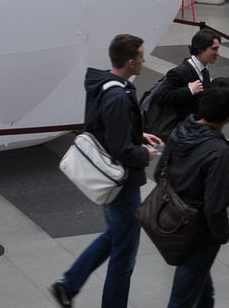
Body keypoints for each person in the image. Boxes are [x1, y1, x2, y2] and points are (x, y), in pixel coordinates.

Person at [49, 34, 161, 307]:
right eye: (141, 56)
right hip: (123, 185)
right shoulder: (118, 97)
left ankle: (68, 284)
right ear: (130, 61)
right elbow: (121, 149)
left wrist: (138, 133)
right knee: (124, 255)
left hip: (115, 184)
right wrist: (144, 153)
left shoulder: (103, 85)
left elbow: (103, 128)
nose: (145, 60)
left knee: (114, 236)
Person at [157, 78, 229, 308]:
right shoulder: (219, 151)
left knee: (202, 288)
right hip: (198, 232)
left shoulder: (181, 129)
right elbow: (215, 205)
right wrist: (222, 233)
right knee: (182, 298)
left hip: (171, 219)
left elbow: (159, 173)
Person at [146, 28, 221, 134]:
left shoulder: (204, 70)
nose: (218, 53)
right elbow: (161, 95)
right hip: (179, 131)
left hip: (193, 129)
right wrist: (189, 90)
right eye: (214, 49)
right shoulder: (180, 72)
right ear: (200, 49)